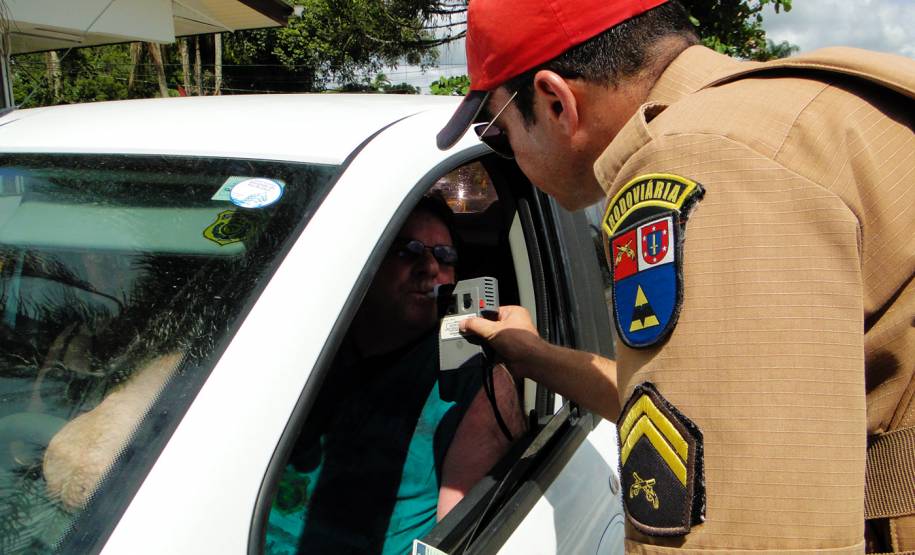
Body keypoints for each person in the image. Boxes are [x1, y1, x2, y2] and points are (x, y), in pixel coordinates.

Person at [436, 0, 915, 553]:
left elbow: (745, 531)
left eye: (496, 130)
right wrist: (530, 353)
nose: (510, 154)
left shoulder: (703, 161)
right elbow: (708, 409)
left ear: (555, 101)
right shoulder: (808, 107)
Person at [265, 195, 525, 555]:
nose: (430, 268)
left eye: (445, 256)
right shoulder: (297, 351)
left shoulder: (470, 386)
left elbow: (460, 539)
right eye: (409, 250)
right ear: (365, 262)